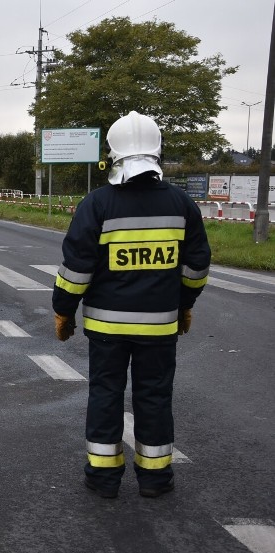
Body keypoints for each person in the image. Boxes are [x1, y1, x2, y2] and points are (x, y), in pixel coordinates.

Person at [52, 111, 210, 500]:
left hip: (107, 330)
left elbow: (76, 268)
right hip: (159, 328)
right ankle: (155, 478)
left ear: (113, 154)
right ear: (157, 152)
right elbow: (197, 266)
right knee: (154, 396)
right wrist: (184, 303)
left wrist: (63, 309)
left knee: (105, 395)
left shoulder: (98, 204)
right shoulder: (181, 204)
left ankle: (104, 478)